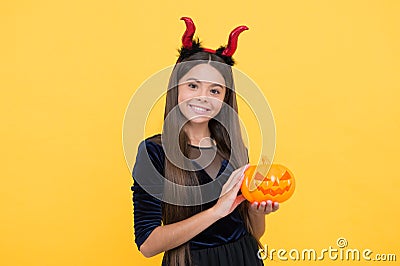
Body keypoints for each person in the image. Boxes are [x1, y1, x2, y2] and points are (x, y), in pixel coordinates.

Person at [131, 17, 279, 266]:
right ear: (176, 88)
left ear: (225, 98)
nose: (203, 97)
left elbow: (253, 233)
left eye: (214, 90)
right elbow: (147, 245)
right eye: (192, 85)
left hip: (244, 258)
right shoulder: (154, 152)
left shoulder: (234, 147)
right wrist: (216, 212)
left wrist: (256, 212)